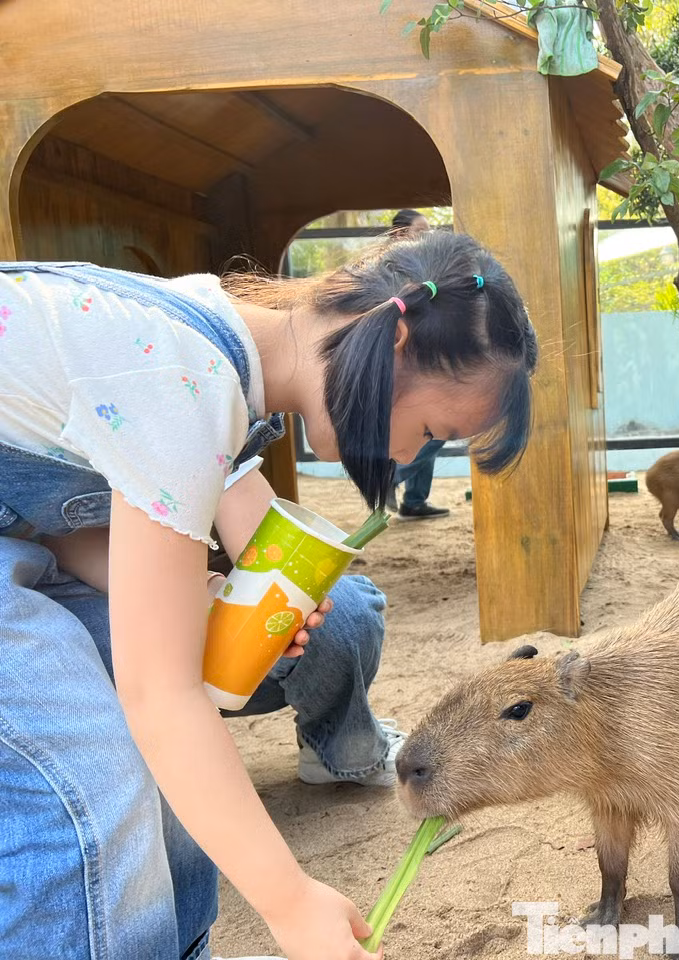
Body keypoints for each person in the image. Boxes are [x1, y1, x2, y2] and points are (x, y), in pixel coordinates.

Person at [0, 229, 538, 959]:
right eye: (433, 430)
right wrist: (289, 902)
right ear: (398, 343)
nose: (410, 456)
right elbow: (159, 698)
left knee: (170, 758)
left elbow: (53, 527)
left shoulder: (208, 342)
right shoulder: (176, 382)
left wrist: (202, 606)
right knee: (90, 773)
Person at [384, 209, 450, 519]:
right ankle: (391, 479)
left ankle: (414, 501)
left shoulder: (417, 265)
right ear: (400, 234)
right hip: (406, 361)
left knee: (430, 427)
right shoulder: (393, 269)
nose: (427, 237)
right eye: (420, 231)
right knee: (438, 429)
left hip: (423, 358)